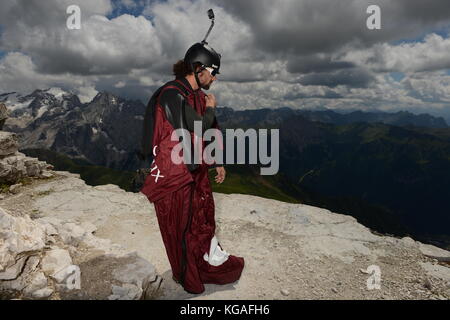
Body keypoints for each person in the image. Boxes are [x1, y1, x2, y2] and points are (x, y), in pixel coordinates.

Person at [139, 42, 245, 294]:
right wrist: (209, 109)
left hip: (193, 171)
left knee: (200, 220)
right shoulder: (171, 94)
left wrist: (217, 160)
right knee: (179, 227)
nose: (215, 77)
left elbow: (210, 130)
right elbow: (198, 126)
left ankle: (200, 264)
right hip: (174, 176)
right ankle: (186, 277)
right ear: (198, 68)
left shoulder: (195, 96)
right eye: (213, 70)